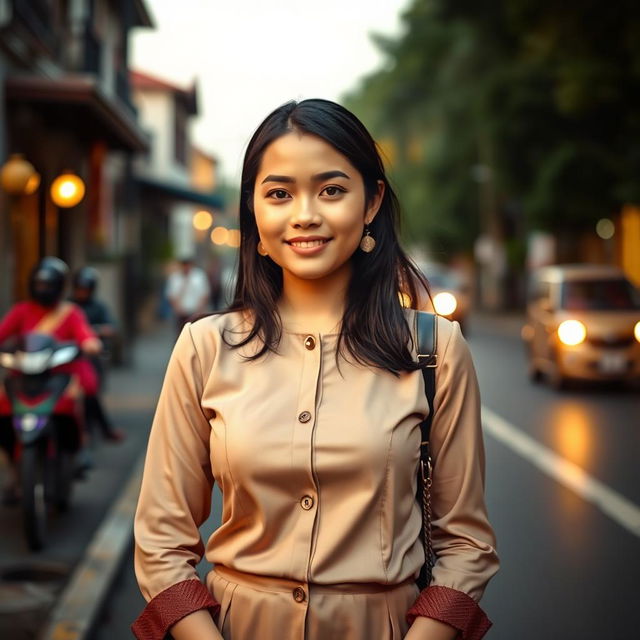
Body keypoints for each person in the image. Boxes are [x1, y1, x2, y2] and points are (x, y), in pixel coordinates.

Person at [132, 100, 499, 640]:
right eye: (279, 193)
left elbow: (466, 546)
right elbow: (161, 543)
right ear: (254, 209)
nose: (305, 214)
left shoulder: (433, 349)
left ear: (372, 201)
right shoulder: (205, 348)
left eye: (331, 190)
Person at [0, 257, 101, 501]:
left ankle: (79, 447)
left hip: (59, 376)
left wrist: (90, 344)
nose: (43, 290)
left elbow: (85, 336)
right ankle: (15, 465)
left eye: (48, 285)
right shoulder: (21, 311)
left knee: (83, 392)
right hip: (24, 377)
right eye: (39, 285)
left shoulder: (71, 313)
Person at [70, 266, 124, 443]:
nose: (82, 292)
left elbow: (111, 328)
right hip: (68, 356)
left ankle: (99, 429)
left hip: (90, 356)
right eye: (79, 288)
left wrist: (94, 332)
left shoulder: (98, 307)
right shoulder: (67, 307)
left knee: (91, 392)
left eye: (85, 289)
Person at [165, 256, 210, 334]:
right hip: (181, 314)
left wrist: (200, 309)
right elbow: (171, 295)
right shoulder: (175, 277)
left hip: (195, 312)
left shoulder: (199, 276)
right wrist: (177, 309)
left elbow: (205, 293)